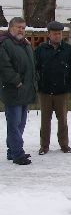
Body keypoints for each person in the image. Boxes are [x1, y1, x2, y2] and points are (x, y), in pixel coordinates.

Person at [35, 21, 71, 154]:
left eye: (59, 33)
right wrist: (39, 83)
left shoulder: (69, 50)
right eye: (54, 34)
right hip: (45, 90)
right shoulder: (41, 50)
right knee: (45, 120)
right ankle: (44, 145)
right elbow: (35, 68)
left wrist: (70, 82)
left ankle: (64, 144)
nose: (57, 36)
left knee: (63, 120)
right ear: (49, 34)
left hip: (62, 90)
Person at [0, 17, 36, 165]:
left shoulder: (25, 44)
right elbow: (4, 66)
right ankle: (17, 154)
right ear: (11, 28)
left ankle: (12, 150)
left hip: (25, 90)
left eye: (23, 28)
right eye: (18, 27)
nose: (21, 30)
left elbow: (31, 65)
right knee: (14, 124)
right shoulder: (4, 43)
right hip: (13, 90)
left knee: (20, 123)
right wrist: (16, 81)